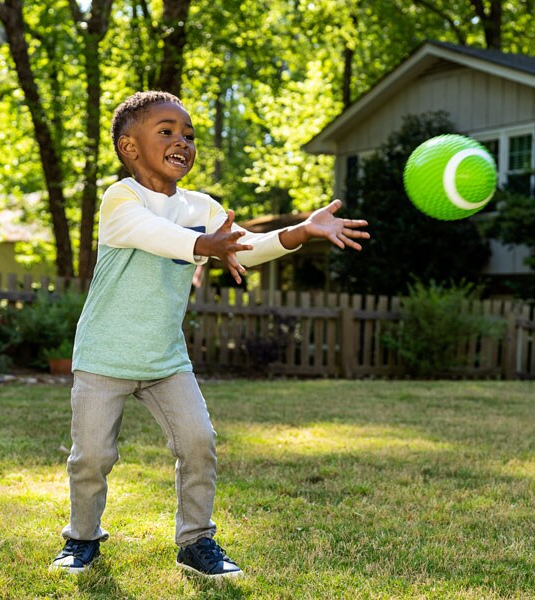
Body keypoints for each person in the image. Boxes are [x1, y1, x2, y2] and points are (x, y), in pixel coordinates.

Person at [49, 90, 369, 578]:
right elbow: (153, 235)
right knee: (92, 457)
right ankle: (82, 538)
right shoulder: (122, 197)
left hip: (165, 360)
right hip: (104, 356)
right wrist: (205, 244)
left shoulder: (201, 206)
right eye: (167, 131)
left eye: (189, 134)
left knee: (199, 442)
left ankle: (196, 541)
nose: (182, 141)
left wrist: (301, 231)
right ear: (129, 147)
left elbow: (249, 247)